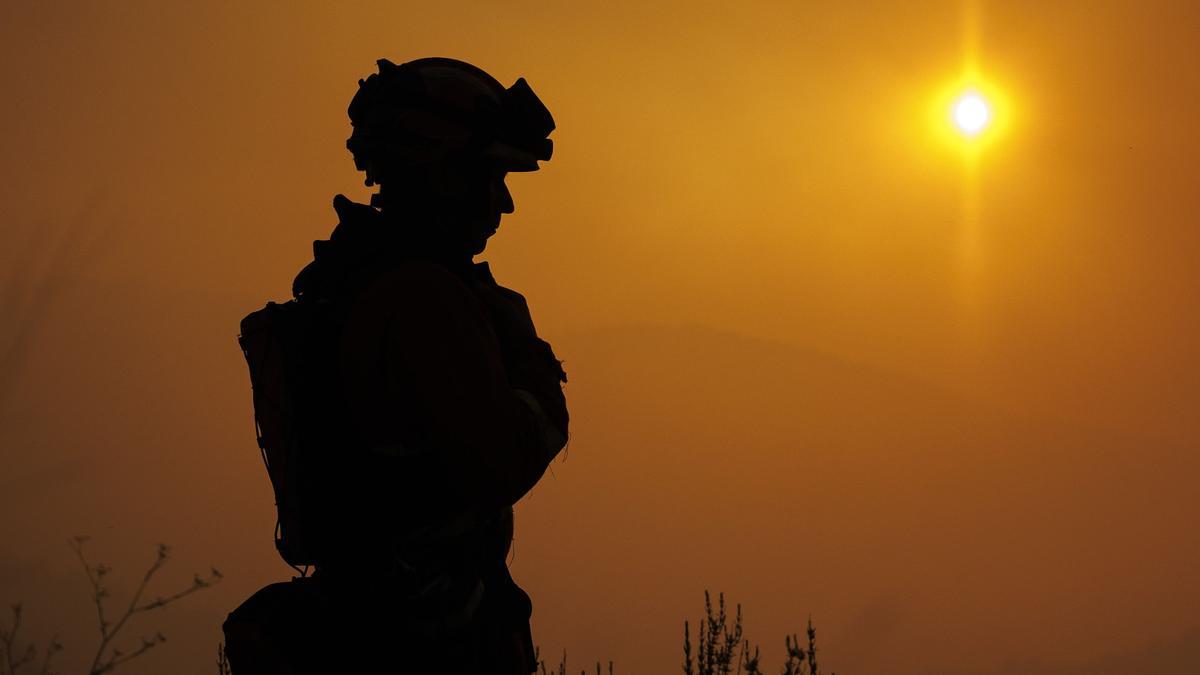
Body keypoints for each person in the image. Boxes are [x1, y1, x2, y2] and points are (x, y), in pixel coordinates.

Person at [223, 57, 568, 674]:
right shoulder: (425, 299)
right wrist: (530, 361)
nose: (505, 203)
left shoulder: (363, 282)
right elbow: (500, 461)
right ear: (444, 174)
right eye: (491, 175)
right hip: (422, 642)